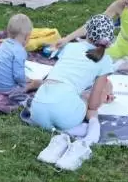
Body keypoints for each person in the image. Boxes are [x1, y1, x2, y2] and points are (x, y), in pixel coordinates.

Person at [31, 14, 117, 171]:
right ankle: (89, 134)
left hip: (37, 110)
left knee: (73, 97)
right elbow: (93, 104)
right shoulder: (104, 60)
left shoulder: (70, 47)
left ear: (87, 32)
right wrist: (99, 98)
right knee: (90, 105)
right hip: (64, 113)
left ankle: (61, 138)